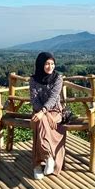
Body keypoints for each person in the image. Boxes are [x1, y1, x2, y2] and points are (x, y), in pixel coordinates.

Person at [29, 52, 66, 180]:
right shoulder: (33, 80)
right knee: (41, 121)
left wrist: (44, 113)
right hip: (38, 110)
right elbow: (34, 100)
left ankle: (38, 164)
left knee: (40, 122)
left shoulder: (58, 78)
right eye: (47, 64)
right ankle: (48, 157)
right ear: (41, 65)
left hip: (55, 111)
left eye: (52, 64)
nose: (50, 67)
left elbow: (53, 98)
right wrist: (42, 113)